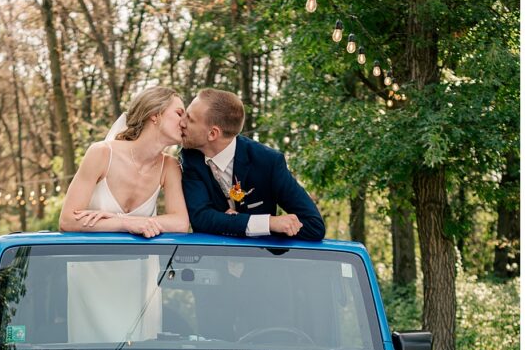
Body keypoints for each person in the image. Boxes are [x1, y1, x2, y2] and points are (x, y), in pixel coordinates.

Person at [180, 88, 325, 240]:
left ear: (213, 134)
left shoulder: (268, 162)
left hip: (259, 258)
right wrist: (266, 223)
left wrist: (254, 226)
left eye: (190, 119)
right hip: (213, 259)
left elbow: (314, 227)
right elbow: (200, 218)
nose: (181, 122)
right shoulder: (191, 158)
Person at [58, 86, 189, 236]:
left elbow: (180, 223)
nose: (184, 123)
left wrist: (118, 219)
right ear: (155, 115)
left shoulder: (169, 166)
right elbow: (67, 220)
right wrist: (125, 223)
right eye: (179, 113)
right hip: (93, 257)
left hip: (142, 259)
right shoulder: (101, 154)